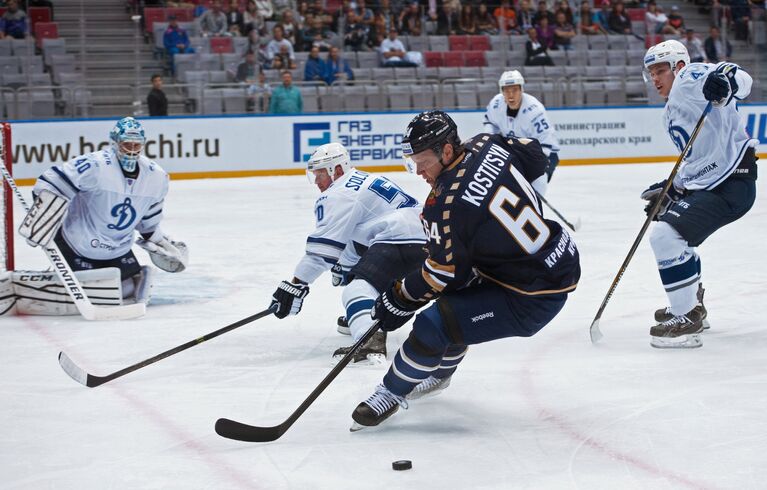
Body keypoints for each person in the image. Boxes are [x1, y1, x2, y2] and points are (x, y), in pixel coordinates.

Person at [349, 111, 580, 430]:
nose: (418, 171)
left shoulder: (445, 205)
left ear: (446, 151)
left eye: (423, 161)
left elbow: (441, 273)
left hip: (532, 295)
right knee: (456, 299)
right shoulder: (487, 143)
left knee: (434, 324)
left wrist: (399, 296)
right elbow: (534, 154)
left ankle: (389, 392)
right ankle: (438, 373)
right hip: (558, 256)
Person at [641, 40, 757, 348]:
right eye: (651, 73)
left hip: (732, 182)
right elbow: (696, 160)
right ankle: (692, 306)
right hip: (717, 183)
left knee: (665, 236)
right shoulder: (669, 114)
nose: (655, 79)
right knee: (679, 239)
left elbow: (740, 78)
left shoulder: (689, 78)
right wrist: (672, 188)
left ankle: (686, 317)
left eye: (660, 70)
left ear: (678, 66)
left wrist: (727, 82)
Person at [269, 143, 426, 365]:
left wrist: (296, 284)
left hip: (398, 238)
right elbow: (355, 235)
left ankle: (369, 337)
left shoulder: (339, 193)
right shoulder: (364, 179)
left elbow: (322, 251)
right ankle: (367, 313)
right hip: (426, 239)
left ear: (338, 170)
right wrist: (346, 266)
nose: (316, 181)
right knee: (357, 277)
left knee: (356, 289)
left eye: (321, 174)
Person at [13, 117, 188, 314]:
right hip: (78, 242)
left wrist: (158, 241)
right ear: (114, 143)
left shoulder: (156, 176)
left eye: (136, 145)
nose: (131, 150)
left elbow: (148, 218)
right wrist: (43, 216)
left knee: (126, 290)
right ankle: (50, 282)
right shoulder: (95, 165)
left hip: (118, 247)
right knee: (94, 290)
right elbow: (50, 183)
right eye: (126, 144)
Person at [483, 70, 560, 187]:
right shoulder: (496, 103)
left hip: (545, 154)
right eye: (506, 90)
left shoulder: (535, 111)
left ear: (521, 89)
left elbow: (546, 145)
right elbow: (489, 121)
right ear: (502, 91)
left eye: (514, 90)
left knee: (538, 182)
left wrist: (528, 168)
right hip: (515, 152)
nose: (510, 95)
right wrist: (490, 141)